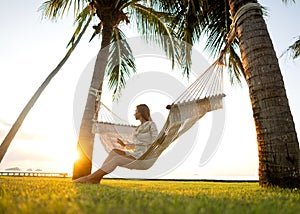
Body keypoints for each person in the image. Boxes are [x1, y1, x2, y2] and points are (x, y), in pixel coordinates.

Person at [73, 104, 158, 184]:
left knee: (117, 159)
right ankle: (96, 178)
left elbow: (155, 141)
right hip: (136, 153)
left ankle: (90, 178)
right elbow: (136, 145)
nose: (134, 114)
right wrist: (124, 145)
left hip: (143, 157)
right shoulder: (138, 128)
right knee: (114, 151)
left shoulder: (151, 125)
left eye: (136, 111)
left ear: (141, 113)